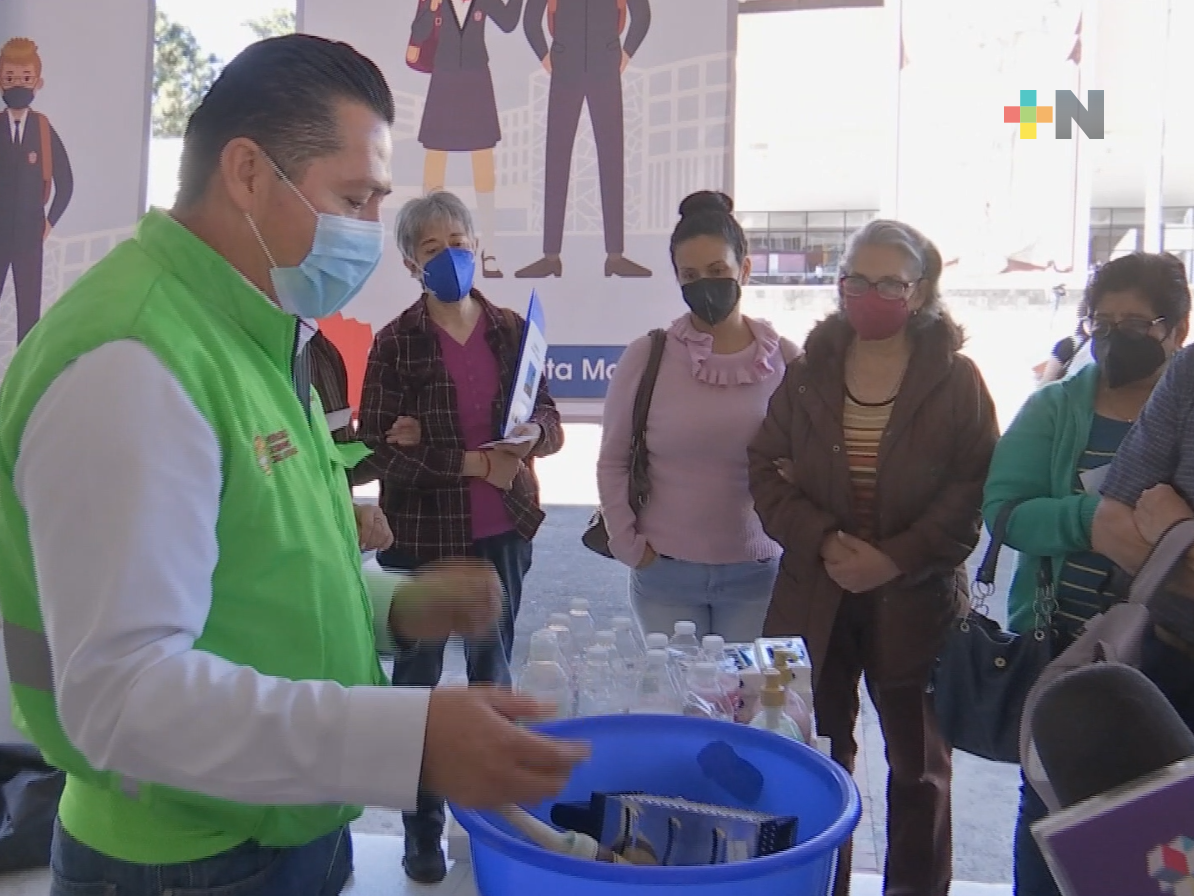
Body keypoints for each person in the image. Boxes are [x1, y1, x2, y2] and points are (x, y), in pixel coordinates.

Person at [0, 36, 585, 896]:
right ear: (247, 172)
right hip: (182, 859)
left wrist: (396, 605)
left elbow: (254, 568)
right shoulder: (134, 362)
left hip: (277, 829)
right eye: (352, 199)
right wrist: (411, 738)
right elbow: (122, 698)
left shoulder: (256, 331)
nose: (364, 233)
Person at [748, 219, 998, 896]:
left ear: (920, 292)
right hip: (815, 593)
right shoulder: (807, 373)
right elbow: (765, 469)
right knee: (816, 761)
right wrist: (826, 540)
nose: (870, 294)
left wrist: (891, 559)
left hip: (913, 599)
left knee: (918, 770)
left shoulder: (957, 381)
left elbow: (971, 489)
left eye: (890, 281)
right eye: (857, 278)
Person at [356, 189, 563, 884]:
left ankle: (494, 829)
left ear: (479, 245)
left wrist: (533, 434)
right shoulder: (396, 342)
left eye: (458, 240)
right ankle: (423, 832)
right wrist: (471, 460)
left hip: (504, 533)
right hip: (421, 541)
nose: (450, 255)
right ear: (412, 262)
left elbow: (550, 419)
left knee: (491, 682)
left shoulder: (511, 329)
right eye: (432, 247)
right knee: (416, 694)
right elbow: (379, 450)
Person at [983, 253, 1191, 896]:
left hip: (1163, 657)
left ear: (1174, 326)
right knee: (1055, 822)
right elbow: (1006, 510)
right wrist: (1088, 520)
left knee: (1155, 849)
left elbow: (1150, 527)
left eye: (1136, 321)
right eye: (1102, 320)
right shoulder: (1060, 407)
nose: (1114, 334)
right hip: (1075, 643)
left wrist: (1170, 537)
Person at [596, 190, 797, 641]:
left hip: (757, 574)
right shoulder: (648, 356)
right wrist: (626, 543)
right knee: (677, 704)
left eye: (717, 271)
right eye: (690, 275)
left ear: (744, 269)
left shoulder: (786, 360)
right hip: (665, 573)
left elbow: (813, 462)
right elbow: (612, 460)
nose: (704, 285)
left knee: (743, 705)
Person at [516, 0, 652, 279]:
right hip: (565, 67)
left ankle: (615, 255)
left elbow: (642, 15)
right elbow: (530, 20)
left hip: (606, 66)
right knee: (557, 157)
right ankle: (550, 256)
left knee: (612, 157)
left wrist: (625, 55)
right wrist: (545, 56)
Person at [407, 0, 523, 278]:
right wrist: (432, 8)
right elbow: (418, 32)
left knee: (483, 163)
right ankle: (425, 254)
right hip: (444, 77)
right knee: (435, 160)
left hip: (476, 78)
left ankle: (490, 249)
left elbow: (508, 23)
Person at [0, 37, 73, 343]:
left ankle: (21, 383)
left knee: (29, 315)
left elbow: (66, 182)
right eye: (10, 78)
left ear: (37, 83)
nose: (17, 84)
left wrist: (49, 222)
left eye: (25, 78)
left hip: (30, 236)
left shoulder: (43, 129)